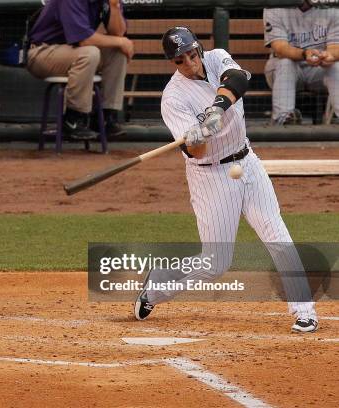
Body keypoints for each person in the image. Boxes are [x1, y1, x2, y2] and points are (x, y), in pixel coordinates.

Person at [133, 27, 319, 333]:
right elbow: (198, 151)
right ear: (173, 63)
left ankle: (304, 310)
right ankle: (157, 286)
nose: (190, 63)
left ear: (199, 49)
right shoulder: (173, 98)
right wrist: (196, 136)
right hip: (211, 175)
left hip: (247, 160)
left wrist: (217, 110)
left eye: (192, 54)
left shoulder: (218, 58)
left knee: (276, 231)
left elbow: (240, 79)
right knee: (216, 264)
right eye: (181, 60)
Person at [26, 0, 133, 139]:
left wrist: (114, 6)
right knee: (89, 53)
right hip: (42, 53)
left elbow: (118, 33)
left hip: (73, 51)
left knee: (117, 52)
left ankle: (105, 118)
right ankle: (73, 120)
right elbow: (84, 40)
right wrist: (121, 41)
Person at [263, 0, 339, 125]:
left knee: (335, 65)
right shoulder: (275, 5)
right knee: (285, 62)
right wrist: (304, 54)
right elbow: (280, 48)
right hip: (283, 72)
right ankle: (284, 119)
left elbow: (335, 46)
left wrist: (329, 55)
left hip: (318, 69)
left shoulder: (331, 5)